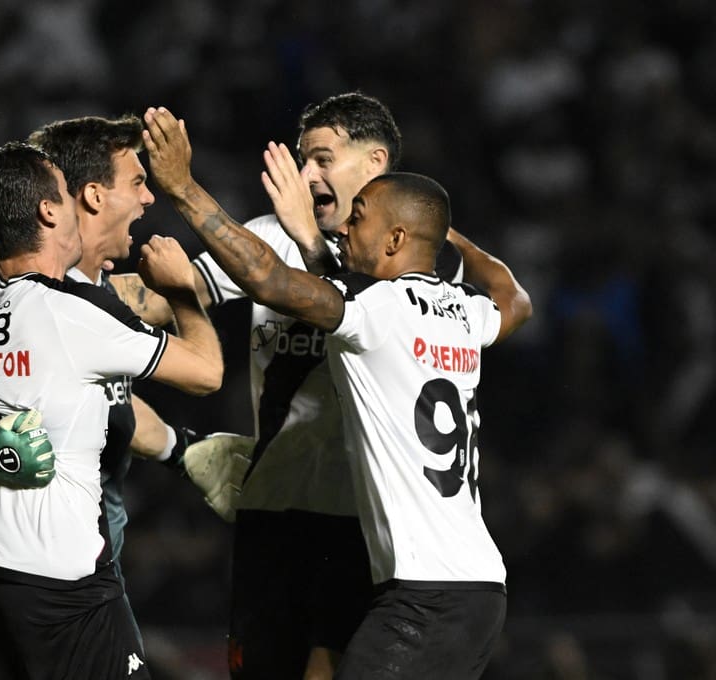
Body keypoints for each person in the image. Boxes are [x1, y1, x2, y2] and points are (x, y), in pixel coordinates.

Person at [142, 104, 532, 678]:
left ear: (396, 233)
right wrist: (441, 227)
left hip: (414, 583)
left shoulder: (379, 304)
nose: (347, 228)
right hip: (457, 575)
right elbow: (515, 299)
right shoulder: (461, 306)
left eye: (363, 219)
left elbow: (274, 280)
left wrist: (182, 187)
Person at [0, 140, 222, 680]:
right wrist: (182, 294)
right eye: (63, 194)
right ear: (49, 211)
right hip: (62, 584)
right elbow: (206, 372)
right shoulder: (77, 315)